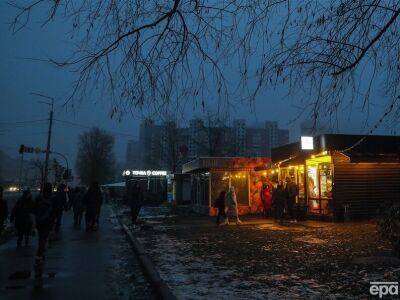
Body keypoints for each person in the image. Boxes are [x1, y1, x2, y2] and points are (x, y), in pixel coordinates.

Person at [34, 183, 56, 259]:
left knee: (40, 236)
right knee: (45, 236)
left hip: (39, 220)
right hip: (48, 221)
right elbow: (54, 212)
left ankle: (40, 250)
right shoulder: (53, 199)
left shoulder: (38, 198)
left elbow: (34, 209)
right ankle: (40, 251)